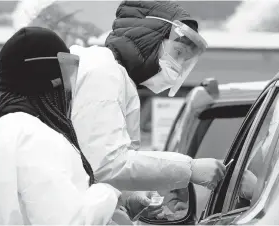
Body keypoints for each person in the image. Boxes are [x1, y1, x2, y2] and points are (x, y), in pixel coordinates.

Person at [69, 0, 226, 220]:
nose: (178, 66)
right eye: (178, 53)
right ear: (149, 37)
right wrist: (189, 169)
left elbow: (92, 166)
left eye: (184, 60)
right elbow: (105, 163)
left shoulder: (116, 78)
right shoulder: (103, 73)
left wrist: (126, 199)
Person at [0, 27, 121, 225]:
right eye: (69, 70)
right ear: (54, 78)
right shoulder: (37, 138)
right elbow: (67, 222)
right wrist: (109, 194)